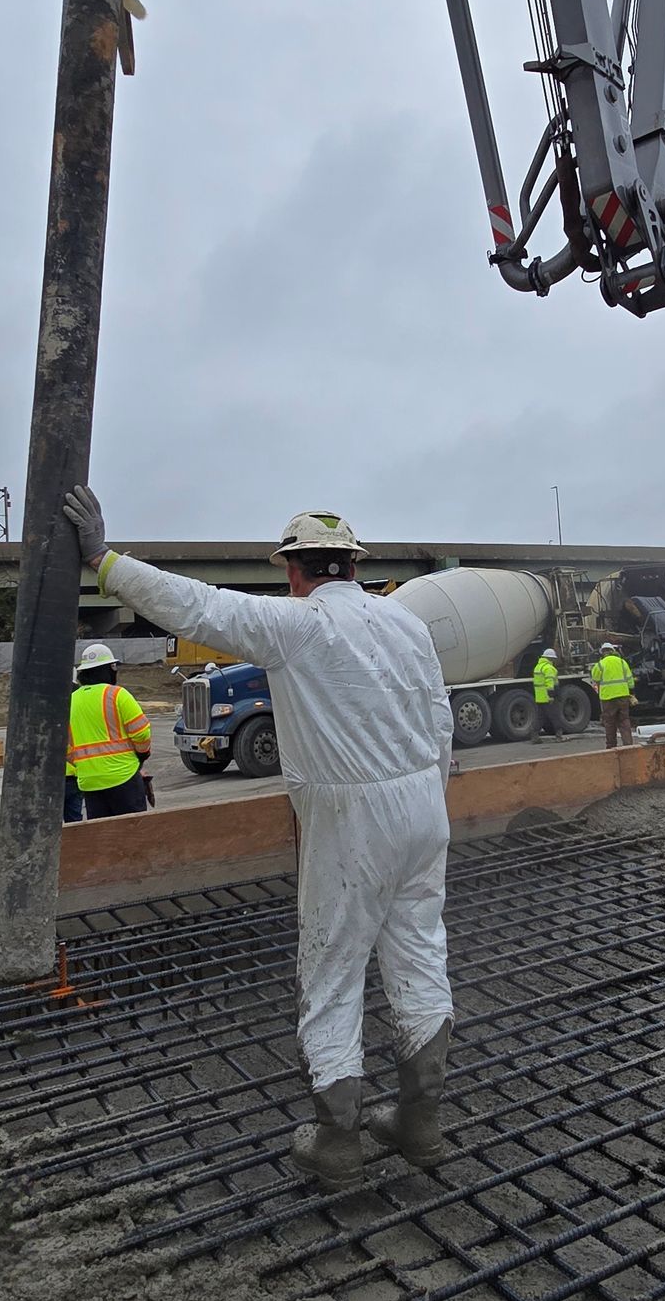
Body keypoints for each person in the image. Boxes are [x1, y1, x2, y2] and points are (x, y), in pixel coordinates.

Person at [64, 491, 454, 1185]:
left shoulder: (297, 625)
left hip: (350, 817)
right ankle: (421, 1123)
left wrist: (103, 560)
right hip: (425, 803)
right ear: (353, 567)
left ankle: (339, 1139)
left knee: (332, 971)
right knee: (420, 956)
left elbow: (200, 606)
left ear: (295, 570)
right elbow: (439, 720)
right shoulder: (405, 623)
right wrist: (426, 800)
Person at [64, 640, 154, 820]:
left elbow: (65, 746)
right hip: (124, 777)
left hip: (89, 782)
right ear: (109, 669)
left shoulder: (70, 701)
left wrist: (84, 765)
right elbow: (142, 732)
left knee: (102, 839)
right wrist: (141, 756)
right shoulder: (117, 695)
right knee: (133, 835)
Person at [590, 639, 636, 749]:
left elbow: (595, 678)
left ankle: (611, 746)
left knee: (609, 723)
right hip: (623, 696)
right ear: (613, 651)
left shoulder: (600, 664)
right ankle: (628, 745)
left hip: (608, 698)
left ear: (602, 652)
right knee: (624, 720)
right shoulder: (622, 662)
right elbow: (630, 680)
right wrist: (631, 693)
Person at [531, 643, 561, 738]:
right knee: (555, 716)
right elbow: (550, 683)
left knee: (540, 717)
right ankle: (559, 735)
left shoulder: (538, 667)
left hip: (540, 697)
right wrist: (551, 696)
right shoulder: (549, 668)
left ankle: (534, 735)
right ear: (551, 658)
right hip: (548, 697)